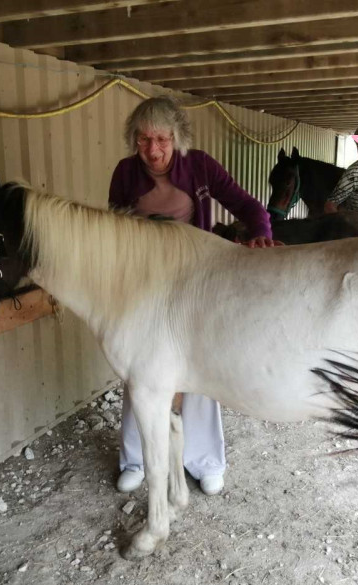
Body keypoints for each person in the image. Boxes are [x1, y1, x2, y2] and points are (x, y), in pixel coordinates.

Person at [108, 96, 276, 496]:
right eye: (144, 139)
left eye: (162, 139)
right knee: (140, 372)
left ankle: (204, 461)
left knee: (199, 369)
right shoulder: (125, 173)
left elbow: (250, 207)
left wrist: (262, 239)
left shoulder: (200, 165)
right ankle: (135, 459)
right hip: (144, 284)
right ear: (134, 140)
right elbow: (112, 229)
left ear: (177, 137)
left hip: (197, 281)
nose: (153, 150)